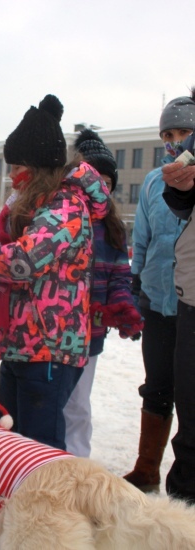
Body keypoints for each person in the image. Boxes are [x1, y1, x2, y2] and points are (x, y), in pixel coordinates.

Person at [0, 94, 110, 450]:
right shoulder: (40, 206)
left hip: (51, 346)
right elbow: (18, 275)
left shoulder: (66, 206)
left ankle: (48, 507)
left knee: (39, 447)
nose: (12, 178)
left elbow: (27, 260)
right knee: (7, 438)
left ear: (38, 167)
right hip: (23, 342)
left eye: (16, 168)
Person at [123, 92, 195, 493]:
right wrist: (135, 284)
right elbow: (143, 239)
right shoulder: (153, 181)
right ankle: (146, 469)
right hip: (157, 300)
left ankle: (185, 477)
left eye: (183, 132)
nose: (174, 140)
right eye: (167, 133)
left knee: (190, 394)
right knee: (157, 386)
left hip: (191, 302)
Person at [64, 129, 143, 457]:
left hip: (91, 331)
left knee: (78, 403)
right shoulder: (61, 218)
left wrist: (123, 307)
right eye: (96, 178)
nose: (102, 187)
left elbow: (119, 277)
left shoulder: (113, 228)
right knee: (52, 399)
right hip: (58, 327)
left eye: (108, 182)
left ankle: (77, 462)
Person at [160, 126, 195, 504]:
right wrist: (181, 188)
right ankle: (184, 521)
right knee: (190, 410)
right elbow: (181, 204)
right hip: (192, 295)